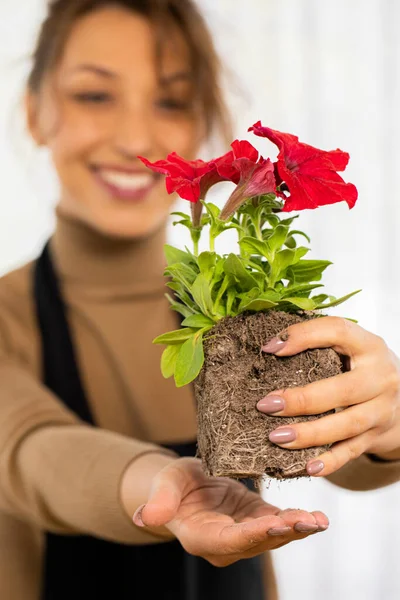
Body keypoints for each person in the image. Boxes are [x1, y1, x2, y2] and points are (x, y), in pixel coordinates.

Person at [0, 1, 399, 599]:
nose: (135, 137)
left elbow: (351, 461)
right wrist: (159, 486)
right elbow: (29, 448)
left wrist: (380, 421)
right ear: (35, 113)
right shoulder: (8, 314)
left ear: (200, 124)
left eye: (171, 101)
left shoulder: (235, 305)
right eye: (94, 95)